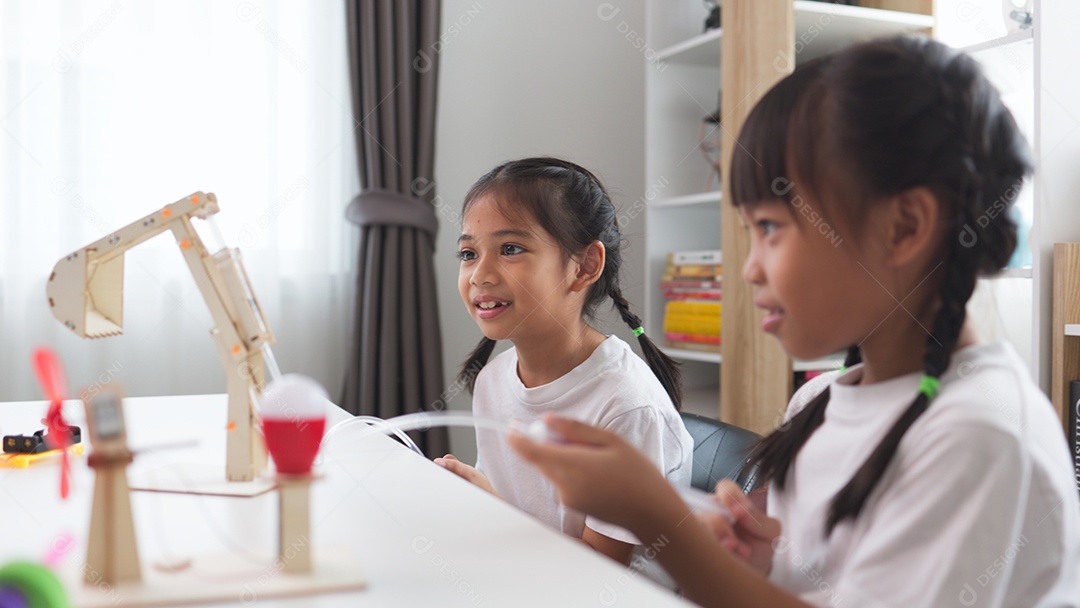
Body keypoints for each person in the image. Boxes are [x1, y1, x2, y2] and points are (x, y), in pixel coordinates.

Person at [509, 35, 1080, 607]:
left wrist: (660, 521)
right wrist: (762, 566)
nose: (751, 269)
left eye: (771, 228)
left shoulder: (978, 435)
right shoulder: (819, 403)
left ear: (905, 227)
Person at [434, 157, 695, 574]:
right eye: (468, 252)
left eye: (511, 249)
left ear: (585, 266)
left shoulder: (626, 407)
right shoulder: (494, 380)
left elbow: (600, 575)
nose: (479, 275)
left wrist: (490, 506)